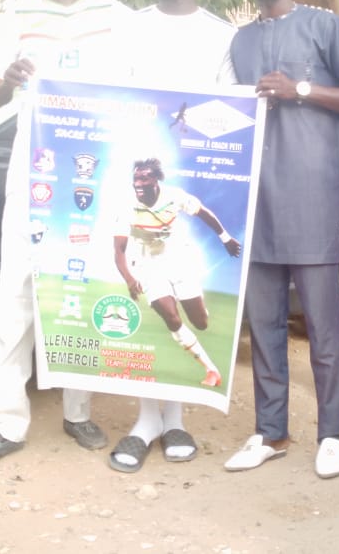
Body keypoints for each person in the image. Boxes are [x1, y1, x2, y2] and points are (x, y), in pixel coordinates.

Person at [0, 0, 132, 471]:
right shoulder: (18, 16)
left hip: (92, 173)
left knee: (79, 285)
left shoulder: (114, 17)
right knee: (15, 291)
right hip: (32, 171)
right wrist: (7, 79)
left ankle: (77, 410)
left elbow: (141, 89)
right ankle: (8, 421)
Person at [224, 0, 339, 479]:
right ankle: (271, 431)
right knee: (263, 328)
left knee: (323, 331)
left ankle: (332, 434)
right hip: (255, 204)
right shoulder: (238, 41)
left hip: (310, 197)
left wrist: (303, 91)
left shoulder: (324, 25)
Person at [107, 0, 238, 472]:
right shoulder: (128, 28)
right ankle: (148, 422)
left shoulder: (221, 35)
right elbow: (110, 95)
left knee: (198, 318)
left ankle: (178, 418)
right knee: (159, 311)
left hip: (194, 176)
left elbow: (229, 112)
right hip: (142, 167)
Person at [109, 158, 241, 470]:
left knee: (200, 322)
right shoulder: (127, 205)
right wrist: (130, 279)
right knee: (172, 319)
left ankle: (174, 419)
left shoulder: (175, 195)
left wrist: (225, 238)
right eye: (135, 184)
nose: (138, 189)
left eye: (144, 184)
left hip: (179, 263)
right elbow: (118, 249)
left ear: (156, 182)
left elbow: (204, 212)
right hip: (148, 268)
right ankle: (153, 416)